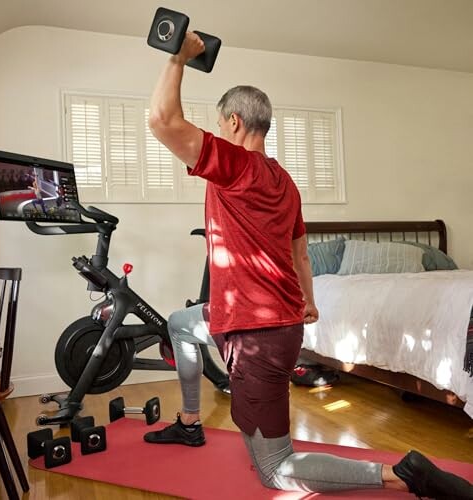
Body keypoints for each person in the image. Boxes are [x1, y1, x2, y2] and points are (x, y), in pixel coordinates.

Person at [143, 32, 473, 499]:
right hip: (263, 319)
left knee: (276, 469)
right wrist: (310, 302)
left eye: (219, 124)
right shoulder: (284, 180)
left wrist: (177, 57)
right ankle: (191, 421)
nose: (215, 132)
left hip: (258, 336)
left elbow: (162, 119)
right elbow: (300, 250)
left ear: (234, 122)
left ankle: (403, 475)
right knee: (180, 324)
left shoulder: (237, 166)